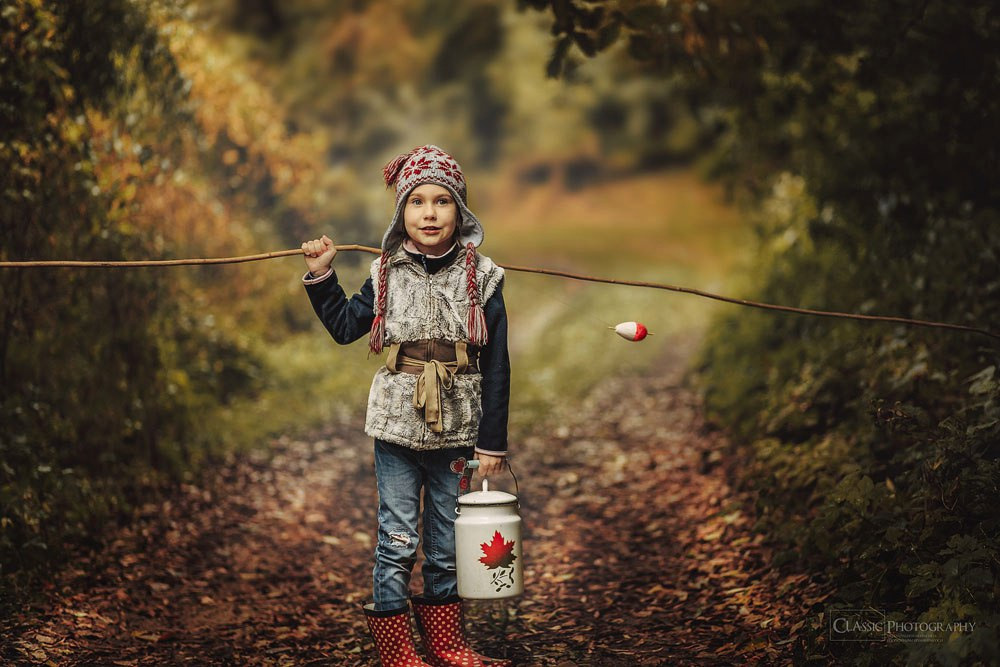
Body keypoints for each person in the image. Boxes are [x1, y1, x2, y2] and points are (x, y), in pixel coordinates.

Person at [301, 145, 511, 667]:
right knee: (397, 539)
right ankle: (397, 651)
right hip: (396, 426)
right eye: (417, 201)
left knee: (444, 542)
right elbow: (348, 328)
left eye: (442, 201)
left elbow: (499, 365)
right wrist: (323, 276)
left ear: (460, 212)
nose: (430, 212)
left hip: (459, 428)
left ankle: (446, 642)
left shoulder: (483, 277)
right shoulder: (385, 272)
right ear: (402, 213)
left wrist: (492, 442)